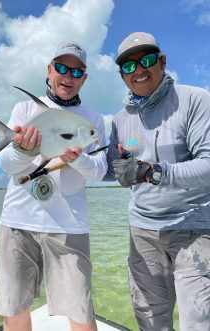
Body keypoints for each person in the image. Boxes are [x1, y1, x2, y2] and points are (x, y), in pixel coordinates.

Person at [0, 41, 107, 331]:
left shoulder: (94, 120)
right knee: (15, 308)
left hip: (69, 226)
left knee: (81, 311)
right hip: (18, 222)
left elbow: (99, 170)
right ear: (49, 69)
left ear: (85, 77)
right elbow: (7, 166)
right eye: (61, 68)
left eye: (76, 71)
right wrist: (23, 151)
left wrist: (77, 159)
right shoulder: (24, 109)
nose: (67, 76)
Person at [105, 32, 210, 331]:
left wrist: (151, 172)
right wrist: (72, 160)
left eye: (146, 60)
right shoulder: (119, 119)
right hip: (142, 231)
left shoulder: (195, 99)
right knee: (151, 321)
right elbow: (115, 171)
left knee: (199, 321)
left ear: (162, 61)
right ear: (121, 75)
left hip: (194, 227)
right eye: (128, 66)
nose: (138, 70)